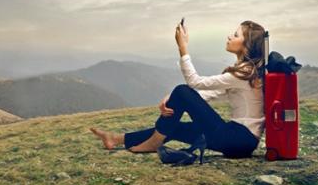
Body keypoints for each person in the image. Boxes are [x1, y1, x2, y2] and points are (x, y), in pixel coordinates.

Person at [90, 20, 266, 160]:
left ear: (247, 45)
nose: (229, 36)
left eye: (235, 35)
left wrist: (182, 48)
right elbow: (208, 94)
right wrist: (173, 99)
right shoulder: (246, 72)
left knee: (182, 90)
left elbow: (194, 82)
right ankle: (116, 138)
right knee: (174, 126)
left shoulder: (243, 73)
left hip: (237, 138)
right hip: (240, 142)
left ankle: (153, 143)